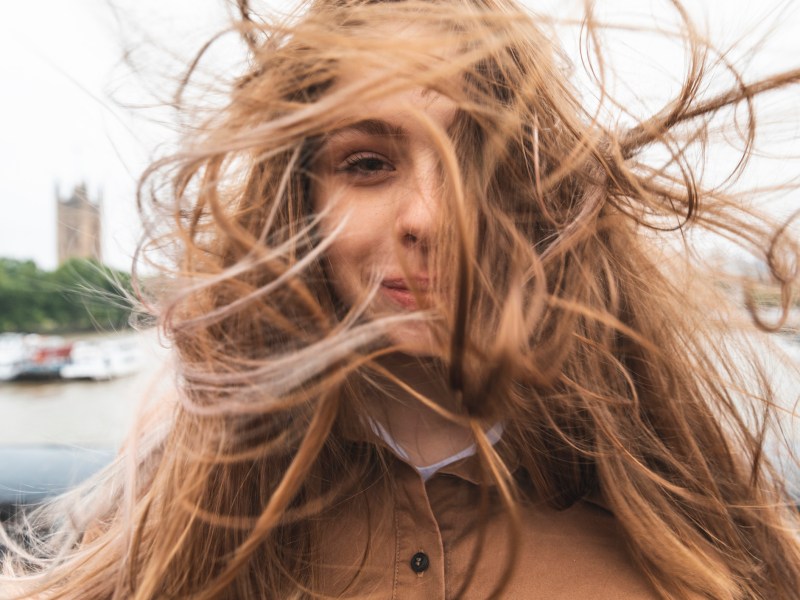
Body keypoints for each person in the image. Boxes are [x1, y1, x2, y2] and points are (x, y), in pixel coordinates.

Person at [3, 0, 800, 598]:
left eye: (476, 163)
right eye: (368, 164)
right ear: (299, 200)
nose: (428, 216)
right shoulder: (188, 513)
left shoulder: (681, 529)